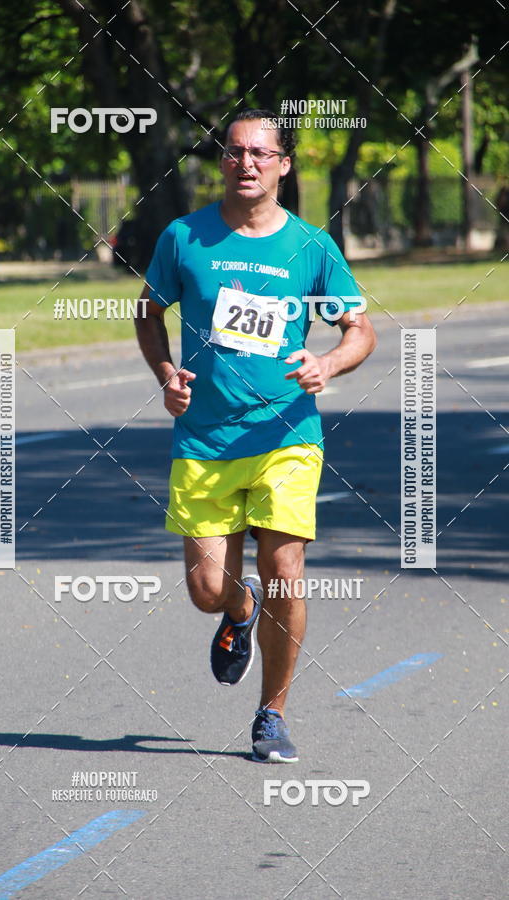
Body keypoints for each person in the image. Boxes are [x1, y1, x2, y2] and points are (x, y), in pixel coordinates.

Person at [135, 108, 376, 763]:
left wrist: (325, 362)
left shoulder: (310, 247)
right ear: (222, 162)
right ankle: (238, 613)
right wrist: (165, 372)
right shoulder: (184, 238)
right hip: (205, 439)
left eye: (261, 154)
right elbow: (148, 311)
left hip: (287, 435)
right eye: (235, 152)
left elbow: (361, 330)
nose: (247, 163)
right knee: (205, 590)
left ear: (283, 165)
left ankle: (272, 714)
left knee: (284, 570)